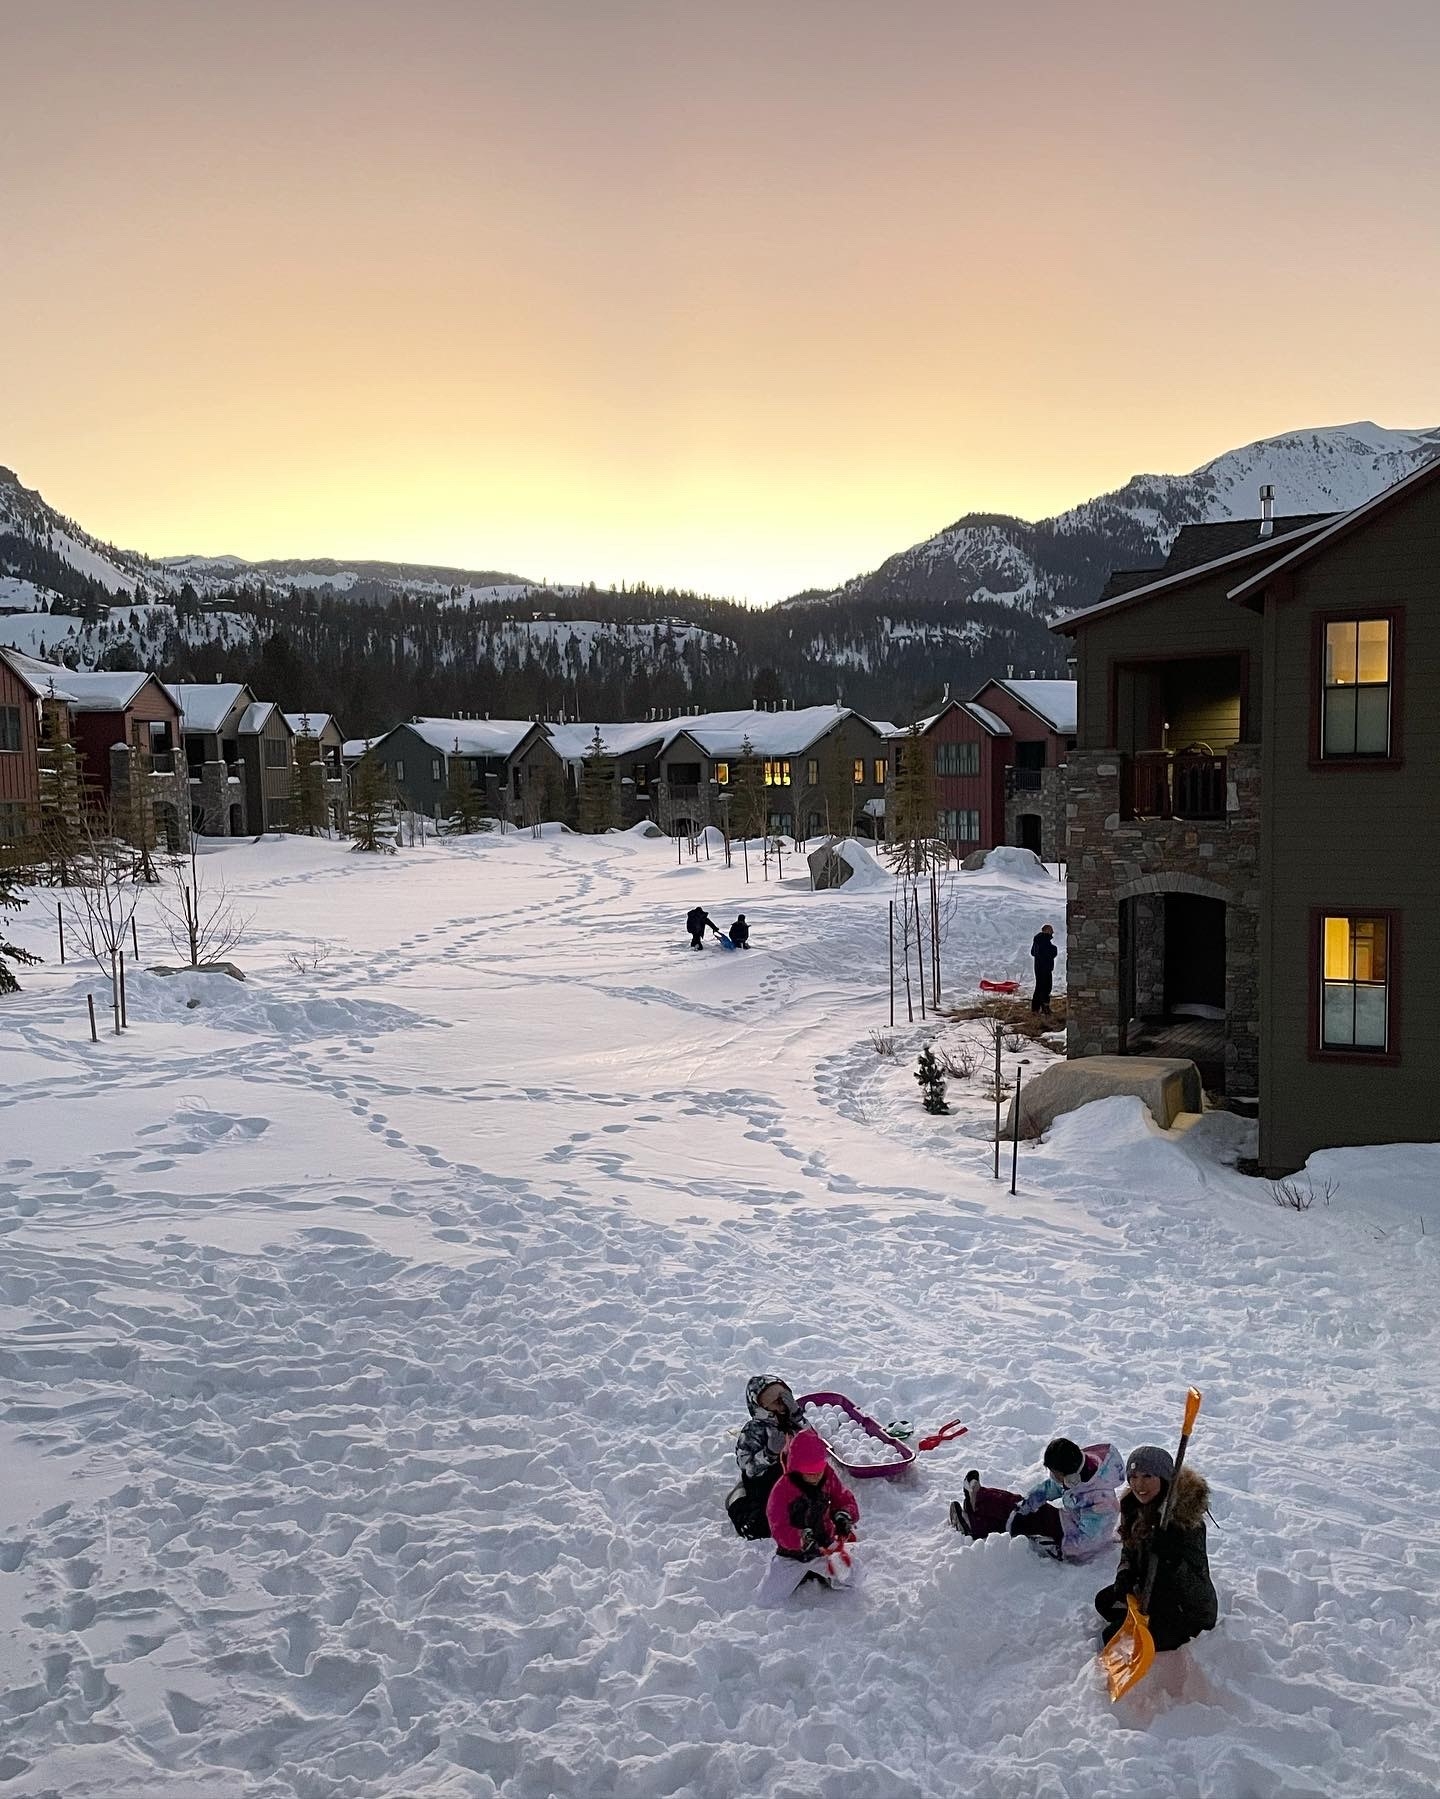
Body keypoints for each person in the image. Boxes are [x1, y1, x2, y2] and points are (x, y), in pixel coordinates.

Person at [1095, 1444, 1217, 1651]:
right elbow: (1129, 1550)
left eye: (1148, 1476)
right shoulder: (1134, 1507)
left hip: (1184, 1609)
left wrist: (1171, 1558)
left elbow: (1197, 1584)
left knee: (1111, 1637)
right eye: (1133, 1477)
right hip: (1150, 1591)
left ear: (1165, 1478)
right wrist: (1125, 1573)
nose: (1139, 1484)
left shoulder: (1185, 1522)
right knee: (1104, 1602)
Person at [949, 1436, 1124, 1563]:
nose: (1053, 1477)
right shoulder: (1077, 1474)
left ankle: (977, 1511)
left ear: (1070, 1476)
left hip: (1068, 1536)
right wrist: (1029, 1503)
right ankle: (978, 1510)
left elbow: (1089, 1541)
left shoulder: (1102, 1501)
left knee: (1027, 1520)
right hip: (1068, 1522)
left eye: (1055, 1474)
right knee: (1021, 1510)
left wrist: (1058, 1548)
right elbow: (1052, 1487)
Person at [757, 1429, 860, 1601]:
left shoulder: (828, 1476)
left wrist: (844, 1515)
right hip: (792, 1554)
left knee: (855, 1577)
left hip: (824, 1546)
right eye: (809, 1472)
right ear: (796, 1468)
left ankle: (820, 1574)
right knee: (767, 1599)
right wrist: (800, 1539)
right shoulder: (782, 1491)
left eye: (818, 1470)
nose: (815, 1476)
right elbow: (778, 1526)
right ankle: (800, 1574)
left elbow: (843, 1497)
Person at [726, 1376, 806, 1539]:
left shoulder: (791, 1420)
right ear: (760, 1406)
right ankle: (737, 1499)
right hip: (764, 1482)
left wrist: (797, 1414)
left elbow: (811, 1442)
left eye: (783, 1397)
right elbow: (746, 1465)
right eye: (774, 1400)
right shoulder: (753, 1430)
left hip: (792, 1477)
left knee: (807, 1514)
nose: (781, 1403)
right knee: (759, 1528)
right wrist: (769, 1453)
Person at [1031, 923, 1058, 1015]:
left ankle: (1038, 1008)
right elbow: (1047, 952)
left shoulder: (1038, 940)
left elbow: (1033, 952)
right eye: (1051, 931)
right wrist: (1054, 949)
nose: (1052, 933)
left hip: (1040, 967)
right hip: (1044, 968)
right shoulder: (1043, 940)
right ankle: (1041, 1008)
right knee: (1045, 988)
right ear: (1047, 931)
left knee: (1041, 987)